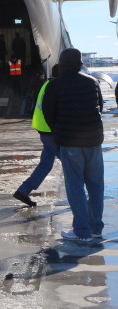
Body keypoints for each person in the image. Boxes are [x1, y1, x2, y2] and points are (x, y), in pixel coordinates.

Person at [42, 48, 104, 241]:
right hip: (94, 141)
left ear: (61, 64)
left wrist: (59, 133)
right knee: (96, 186)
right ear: (79, 63)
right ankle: (95, 228)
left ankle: (81, 231)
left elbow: (48, 113)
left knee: (75, 186)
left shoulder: (54, 86)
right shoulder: (92, 83)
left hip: (70, 143)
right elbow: (99, 107)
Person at [13, 68, 57, 207]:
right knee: (71, 164)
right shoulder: (54, 87)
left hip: (44, 129)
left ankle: (23, 191)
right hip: (51, 131)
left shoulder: (46, 85)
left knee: (45, 165)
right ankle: (79, 196)